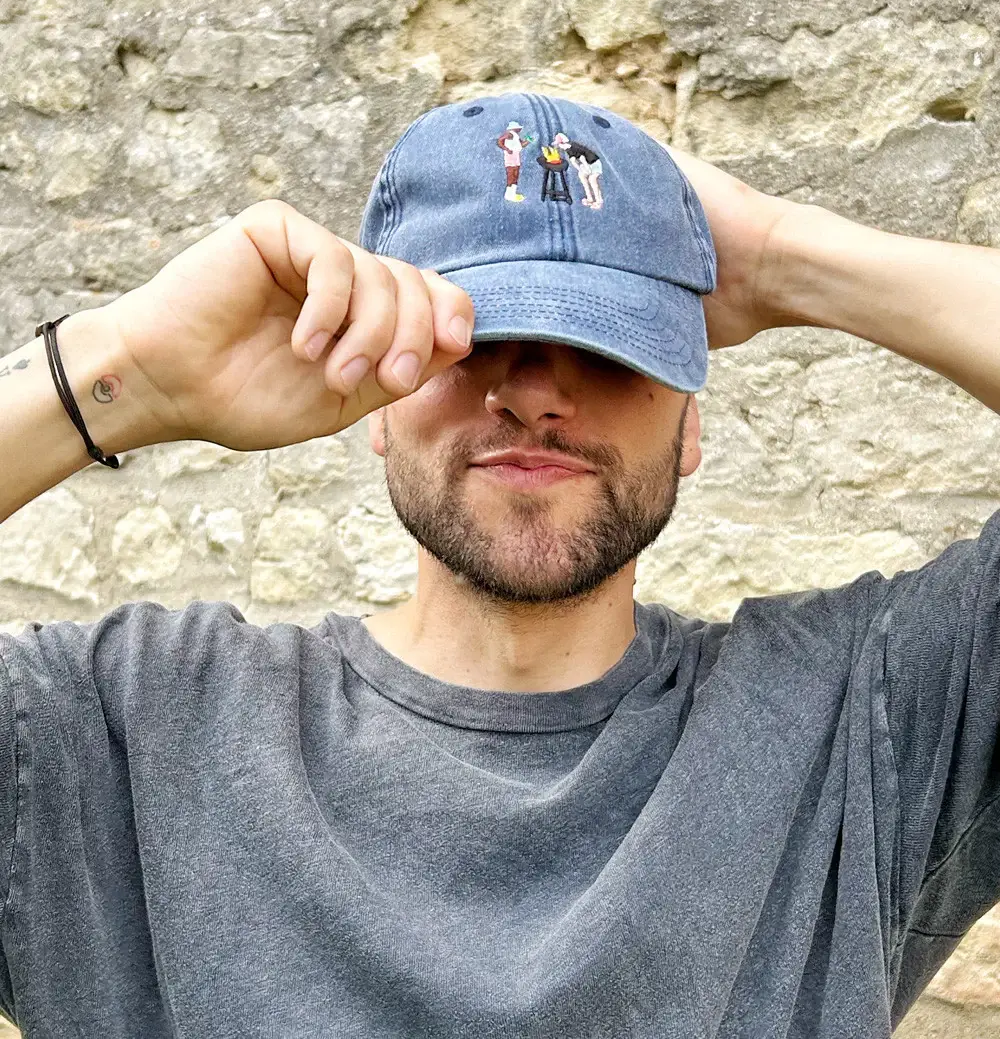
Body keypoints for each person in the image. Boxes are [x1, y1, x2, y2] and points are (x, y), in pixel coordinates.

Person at [0, 91, 997, 1039]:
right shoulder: (125, 732)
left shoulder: (858, 722)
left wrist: (784, 255)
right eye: (467, 339)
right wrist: (125, 375)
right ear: (376, 405)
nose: (533, 394)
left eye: (609, 347)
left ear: (691, 423)